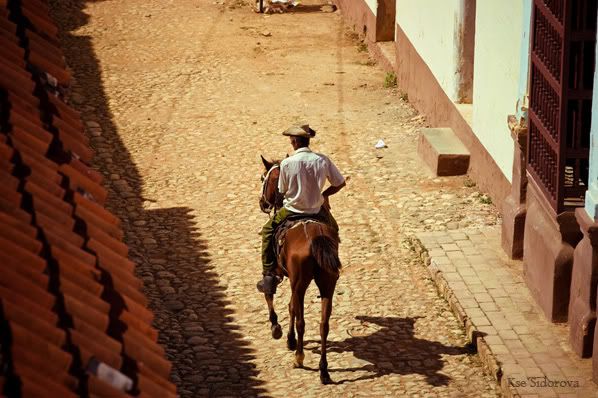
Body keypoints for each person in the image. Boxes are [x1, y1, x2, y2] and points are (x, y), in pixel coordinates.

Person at [258, 123, 346, 294]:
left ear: (294, 142)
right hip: (317, 209)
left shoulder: (287, 163)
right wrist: (323, 195)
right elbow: (340, 183)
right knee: (334, 229)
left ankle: (269, 273)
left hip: (293, 210)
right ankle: (332, 267)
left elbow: (282, 190)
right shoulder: (323, 160)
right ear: (307, 141)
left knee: (268, 231)